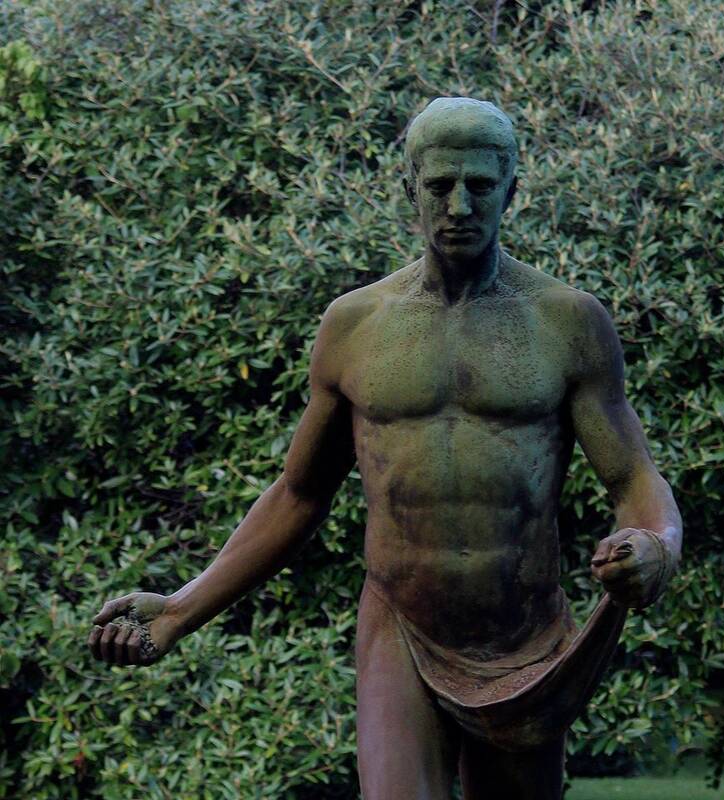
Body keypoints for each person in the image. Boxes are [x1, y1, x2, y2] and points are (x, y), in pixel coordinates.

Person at [88, 97, 682, 800]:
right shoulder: (355, 325)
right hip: (402, 624)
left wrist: (656, 545)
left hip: (522, 636)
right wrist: (181, 609)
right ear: (410, 189)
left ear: (512, 191)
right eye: (440, 185)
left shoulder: (568, 322)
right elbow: (299, 493)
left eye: (480, 185)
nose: (459, 205)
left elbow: (633, 478)